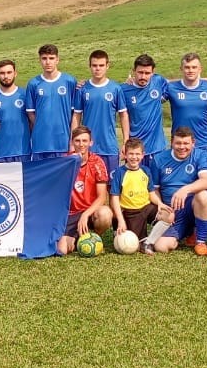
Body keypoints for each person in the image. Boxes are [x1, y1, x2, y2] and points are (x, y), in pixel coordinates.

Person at [149, 126, 207, 255]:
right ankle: (185, 232)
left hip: (192, 207)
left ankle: (200, 240)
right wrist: (161, 206)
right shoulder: (159, 159)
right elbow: (155, 190)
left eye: (186, 143)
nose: (182, 147)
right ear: (171, 142)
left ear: (193, 143)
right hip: (173, 212)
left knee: (204, 196)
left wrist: (185, 189)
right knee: (161, 247)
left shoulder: (200, 155)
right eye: (178, 143)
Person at [57, 125, 114, 255]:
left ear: (90, 142)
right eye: (77, 141)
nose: (81, 144)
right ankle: (79, 237)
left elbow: (101, 197)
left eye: (84, 141)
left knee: (105, 214)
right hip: (70, 213)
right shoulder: (64, 161)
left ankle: (95, 237)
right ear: (72, 142)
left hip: (90, 212)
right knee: (62, 250)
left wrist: (86, 214)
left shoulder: (97, 163)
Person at [74, 49, 128, 176]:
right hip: (87, 147)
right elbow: (76, 116)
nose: (97, 69)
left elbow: (123, 115)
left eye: (101, 65)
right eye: (94, 65)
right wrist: (73, 142)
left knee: (111, 186)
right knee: (88, 185)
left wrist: (125, 141)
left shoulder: (115, 88)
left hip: (109, 147)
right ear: (90, 66)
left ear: (107, 66)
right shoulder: (83, 89)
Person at [25, 44, 78, 159]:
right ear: (40, 60)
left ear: (57, 60)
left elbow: (75, 114)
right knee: (40, 176)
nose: (48, 62)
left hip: (63, 143)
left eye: (51, 58)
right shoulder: (33, 83)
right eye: (44, 58)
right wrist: (42, 126)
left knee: (63, 177)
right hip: (41, 144)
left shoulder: (69, 81)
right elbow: (30, 113)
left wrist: (72, 141)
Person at [109, 137, 160, 247]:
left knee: (167, 215)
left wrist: (160, 204)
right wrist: (120, 219)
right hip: (129, 212)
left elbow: (152, 194)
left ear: (142, 155)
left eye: (137, 154)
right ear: (125, 155)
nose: (134, 157)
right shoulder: (119, 172)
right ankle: (121, 228)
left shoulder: (146, 171)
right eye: (131, 154)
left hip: (146, 208)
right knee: (132, 245)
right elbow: (114, 198)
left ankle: (149, 241)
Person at [121, 54, 169, 164]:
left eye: (147, 73)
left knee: (157, 181)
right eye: (140, 72)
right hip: (134, 149)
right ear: (134, 71)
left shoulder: (158, 81)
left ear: (153, 72)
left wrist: (200, 79)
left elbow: (178, 84)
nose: (143, 76)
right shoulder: (123, 90)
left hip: (157, 148)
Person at [166, 52, 207, 151]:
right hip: (179, 143)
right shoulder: (171, 88)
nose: (190, 70)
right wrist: (133, 81)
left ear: (200, 69)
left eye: (194, 67)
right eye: (187, 67)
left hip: (203, 143)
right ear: (181, 69)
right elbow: (154, 82)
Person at [0, 59, 32, 162]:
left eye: (9, 72)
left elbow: (32, 121)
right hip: (0, 153)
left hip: (23, 152)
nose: (6, 76)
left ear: (15, 73)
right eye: (2, 73)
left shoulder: (25, 95)